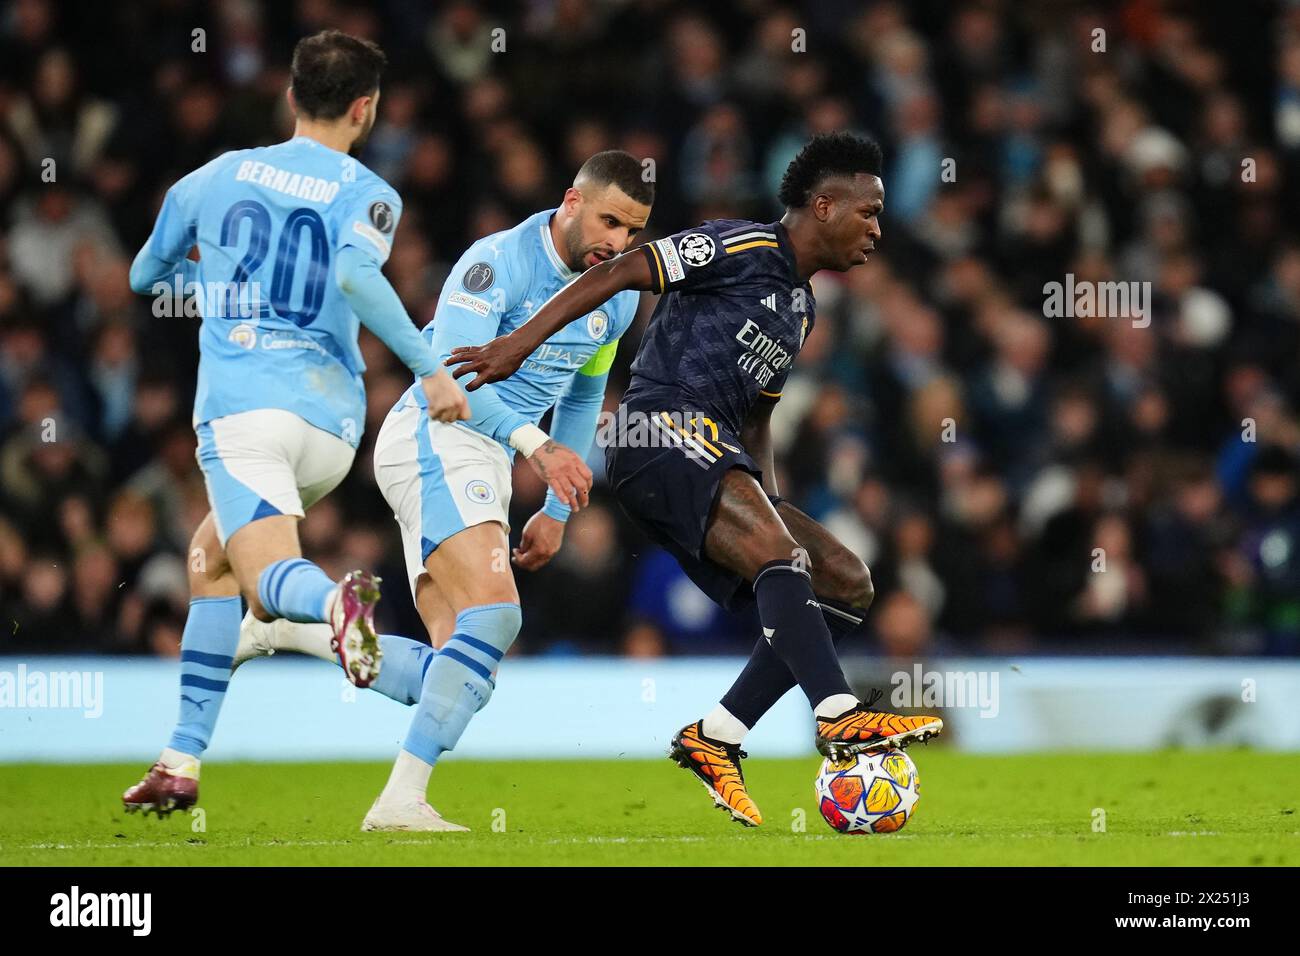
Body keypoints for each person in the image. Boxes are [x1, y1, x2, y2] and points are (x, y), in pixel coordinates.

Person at [446, 133, 942, 827]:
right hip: (659, 430)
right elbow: (620, 273)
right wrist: (516, 343)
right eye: (868, 213)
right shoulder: (739, 246)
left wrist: (768, 504)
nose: (878, 230)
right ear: (823, 206)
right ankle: (838, 715)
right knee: (780, 556)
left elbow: (760, 419)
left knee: (846, 580)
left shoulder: (801, 309)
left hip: (714, 450)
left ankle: (719, 736)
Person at [235, 150, 654, 831]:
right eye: (609, 222)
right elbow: (451, 385)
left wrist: (555, 511)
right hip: (436, 434)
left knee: (462, 671)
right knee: (498, 616)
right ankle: (400, 801)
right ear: (571, 203)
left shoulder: (620, 291)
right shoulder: (495, 264)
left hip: (489, 455)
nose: (618, 244)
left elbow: (580, 395)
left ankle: (288, 631)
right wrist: (537, 448)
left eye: (633, 233)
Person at [121, 30, 470, 816]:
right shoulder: (372, 190)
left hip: (245, 411)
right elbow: (355, 272)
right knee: (211, 561)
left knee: (273, 584)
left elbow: (145, 274)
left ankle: (332, 608)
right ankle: (181, 762)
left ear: (289, 94)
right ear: (365, 107)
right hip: (331, 425)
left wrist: (214, 283)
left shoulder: (211, 178)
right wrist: (427, 365)